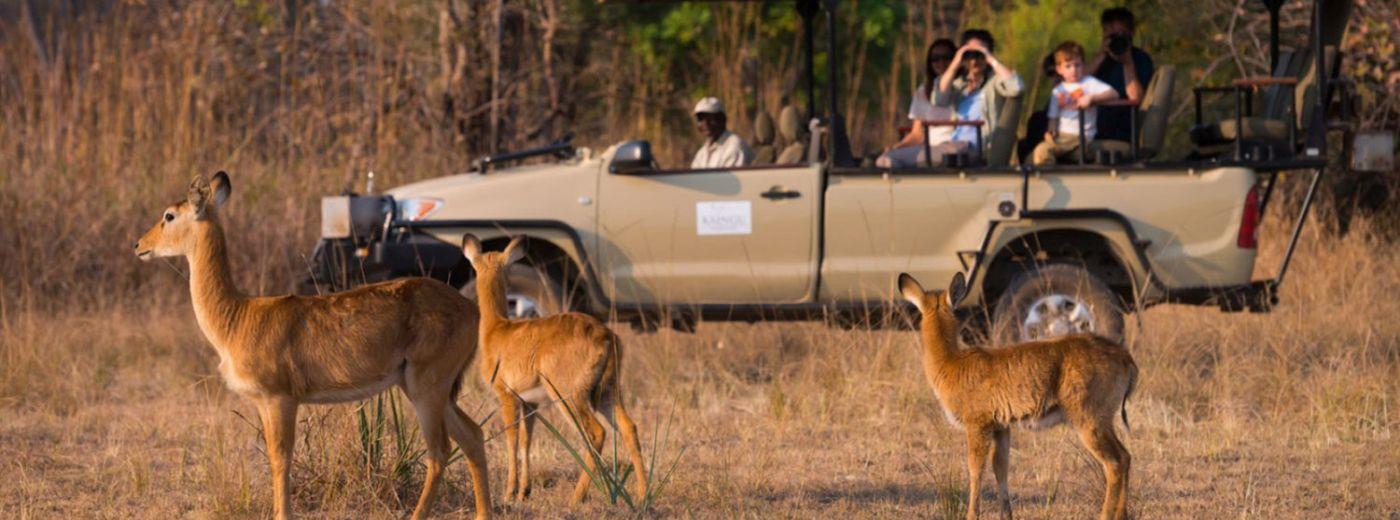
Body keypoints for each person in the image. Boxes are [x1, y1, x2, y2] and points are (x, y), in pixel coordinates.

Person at [934, 29, 1024, 161]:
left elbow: (1017, 87)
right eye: (969, 55)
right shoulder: (959, 85)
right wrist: (956, 61)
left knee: (928, 156)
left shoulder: (995, 82)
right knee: (903, 157)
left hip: (980, 147)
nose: (974, 61)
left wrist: (989, 57)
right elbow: (939, 99)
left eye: (979, 55)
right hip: (955, 144)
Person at [876, 38, 961, 168]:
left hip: (953, 147)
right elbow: (917, 134)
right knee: (885, 159)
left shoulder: (963, 87)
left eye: (947, 57)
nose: (941, 62)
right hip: (928, 149)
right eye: (935, 58)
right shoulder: (923, 91)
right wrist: (896, 147)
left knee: (888, 160)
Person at [1032, 41, 1120, 165]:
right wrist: (1050, 132)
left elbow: (1114, 93)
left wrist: (1092, 98)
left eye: (1077, 65)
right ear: (1059, 69)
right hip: (1063, 137)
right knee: (1041, 152)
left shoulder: (1089, 82)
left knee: (1041, 151)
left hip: (1082, 136)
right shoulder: (1057, 91)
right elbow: (1053, 117)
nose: (1073, 70)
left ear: (1083, 65)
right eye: (1068, 66)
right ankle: (1051, 176)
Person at [1088, 7, 1155, 143]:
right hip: (1091, 124)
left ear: (1131, 33)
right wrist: (1101, 55)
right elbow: (1077, 85)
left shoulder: (1141, 59)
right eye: (1111, 36)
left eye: (1120, 35)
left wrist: (1127, 63)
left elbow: (1136, 99)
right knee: (1040, 120)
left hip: (1120, 127)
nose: (1116, 40)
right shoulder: (1101, 60)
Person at [690, 97, 754, 169]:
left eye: (710, 118)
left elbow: (730, 179)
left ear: (722, 119)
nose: (705, 123)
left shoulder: (734, 147)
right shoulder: (702, 152)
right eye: (700, 119)